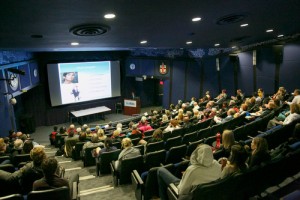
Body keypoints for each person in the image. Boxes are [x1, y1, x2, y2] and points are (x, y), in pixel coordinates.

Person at [157, 144, 222, 199]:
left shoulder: (192, 170)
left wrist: (183, 178)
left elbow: (181, 192)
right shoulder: (217, 164)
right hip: (207, 195)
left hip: (187, 195)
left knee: (160, 170)